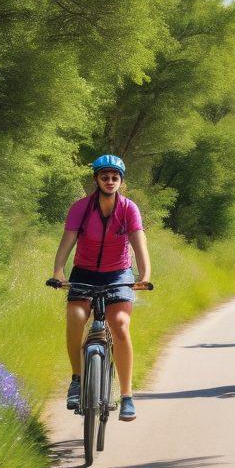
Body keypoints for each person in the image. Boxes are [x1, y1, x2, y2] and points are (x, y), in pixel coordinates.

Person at [50, 154, 151, 422]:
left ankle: (127, 396)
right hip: (84, 271)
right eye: (104, 177)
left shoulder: (129, 209)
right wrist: (58, 271)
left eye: (115, 177)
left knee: (119, 324)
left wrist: (145, 275)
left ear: (121, 181)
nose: (110, 181)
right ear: (96, 179)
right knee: (76, 316)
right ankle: (76, 378)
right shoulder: (81, 208)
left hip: (118, 273)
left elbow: (139, 246)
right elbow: (67, 241)